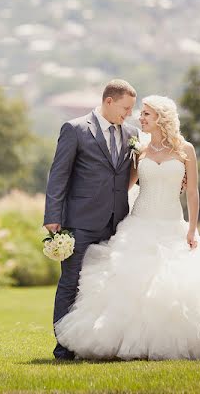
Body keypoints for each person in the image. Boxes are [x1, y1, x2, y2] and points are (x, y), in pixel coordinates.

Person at [52, 94, 200, 360]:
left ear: (162, 117)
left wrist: (192, 229)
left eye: (146, 114)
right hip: (139, 224)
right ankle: (119, 343)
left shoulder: (186, 150)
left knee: (175, 286)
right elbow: (125, 186)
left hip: (173, 224)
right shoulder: (139, 149)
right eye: (140, 113)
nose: (140, 118)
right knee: (128, 284)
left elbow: (193, 193)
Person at [43, 79, 138, 360]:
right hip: (79, 222)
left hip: (116, 223)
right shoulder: (75, 129)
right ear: (108, 101)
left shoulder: (131, 133)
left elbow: (129, 176)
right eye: (126, 108)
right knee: (71, 284)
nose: (129, 114)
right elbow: (58, 175)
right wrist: (53, 217)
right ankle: (63, 348)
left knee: (106, 287)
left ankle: (98, 345)